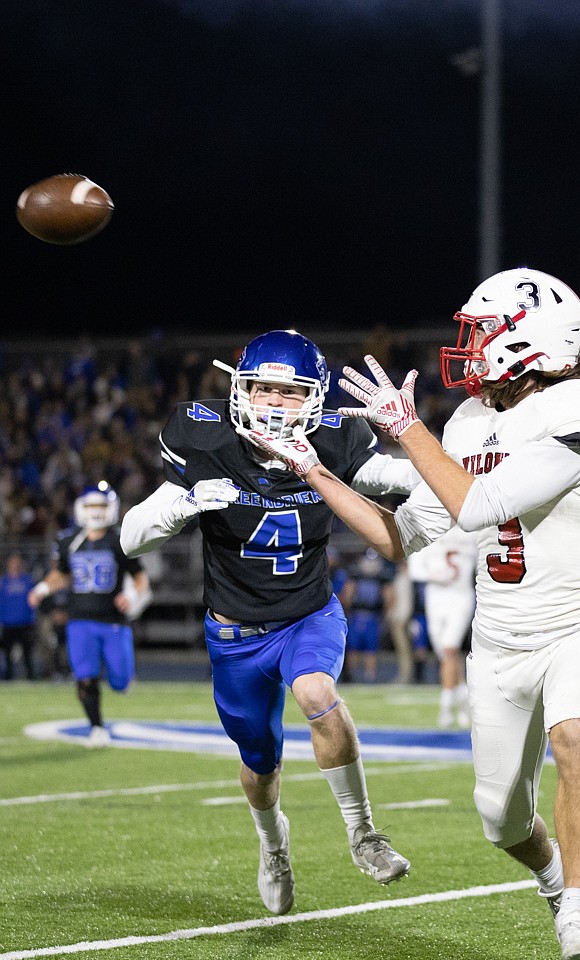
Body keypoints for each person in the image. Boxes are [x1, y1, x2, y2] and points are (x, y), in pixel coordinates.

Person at [242, 272, 580, 960]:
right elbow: (402, 538)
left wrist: (407, 430)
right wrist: (314, 472)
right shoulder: (468, 421)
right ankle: (552, 881)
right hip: (499, 640)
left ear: (530, 337)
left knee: (575, 733)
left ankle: (579, 914)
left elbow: (482, 504)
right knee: (500, 820)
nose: (471, 346)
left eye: (483, 331)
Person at [120, 329, 419, 916]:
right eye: (263, 389)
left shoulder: (334, 440)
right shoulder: (206, 440)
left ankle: (363, 833)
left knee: (316, 693)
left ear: (314, 398)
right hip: (234, 636)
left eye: (291, 392)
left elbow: (407, 478)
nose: (275, 403)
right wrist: (184, 504)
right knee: (261, 766)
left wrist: (426, 443)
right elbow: (131, 538)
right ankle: (273, 842)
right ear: (241, 390)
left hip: (307, 615)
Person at [28, 482, 152, 746]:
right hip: (80, 620)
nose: (96, 511)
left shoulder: (120, 540)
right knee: (85, 677)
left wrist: (131, 596)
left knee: (120, 681)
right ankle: (96, 727)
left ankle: (121, 683)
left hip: (114, 621)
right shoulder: (69, 540)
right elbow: (61, 575)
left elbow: (140, 578)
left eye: (101, 505)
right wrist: (42, 588)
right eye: (92, 505)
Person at [407, 525, 476, 728]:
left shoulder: (473, 529)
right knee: (446, 655)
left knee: (449, 649)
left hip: (461, 596)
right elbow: (415, 569)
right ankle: (463, 700)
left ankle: (445, 706)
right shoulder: (430, 528)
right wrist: (435, 575)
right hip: (436, 598)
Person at [343, 548, 396, 682]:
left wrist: (385, 614)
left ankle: (369, 676)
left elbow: (389, 596)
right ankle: (352, 675)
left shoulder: (383, 576)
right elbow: (348, 594)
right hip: (357, 614)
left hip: (373, 615)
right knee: (353, 646)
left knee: (371, 648)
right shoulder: (356, 574)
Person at [0, 553, 38, 681]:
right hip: (7, 623)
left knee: (27, 653)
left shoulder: (28, 581)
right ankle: (7, 678)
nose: (15, 565)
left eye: (17, 562)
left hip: (25, 622)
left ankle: (31, 678)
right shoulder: (3, 582)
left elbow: (34, 600)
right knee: (7, 653)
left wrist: (33, 618)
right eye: (12, 562)